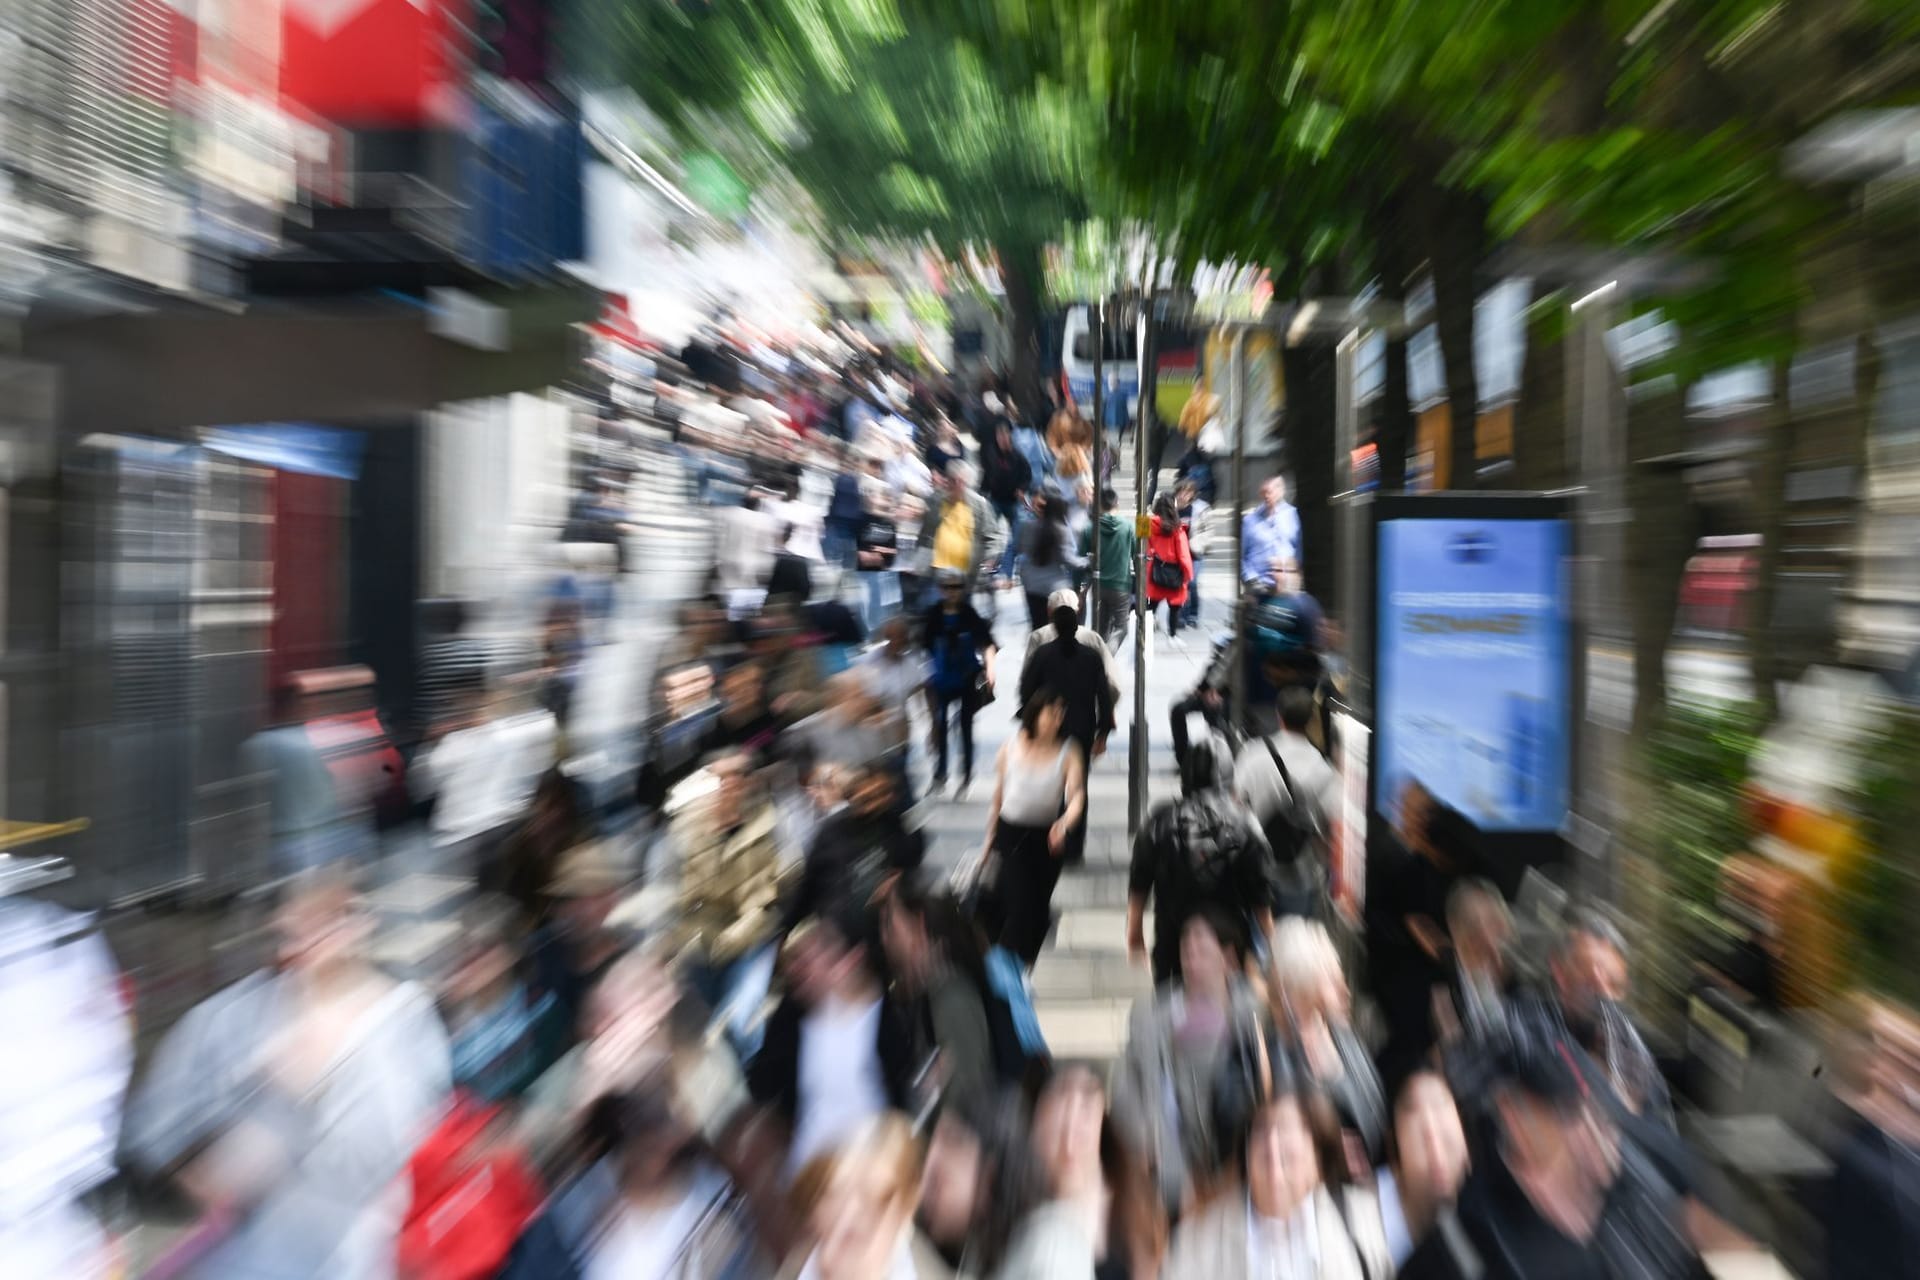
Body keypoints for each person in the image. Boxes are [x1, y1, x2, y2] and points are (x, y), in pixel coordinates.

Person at [124, 871, 453, 1279]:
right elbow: (159, 1133)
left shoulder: (403, 1020)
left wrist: (298, 1091)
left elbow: (375, 1157)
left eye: (332, 915)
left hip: (345, 1264)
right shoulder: (232, 1016)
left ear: (362, 921)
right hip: (236, 1262)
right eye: (300, 915)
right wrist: (201, 1168)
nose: (311, 932)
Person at [1397, 1027, 1706, 1280]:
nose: (1597, 1130)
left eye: (1599, 1110)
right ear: (1517, 1120)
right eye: (1570, 1114)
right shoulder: (1465, 1248)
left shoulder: (1636, 1199)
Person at [503, 1084, 767, 1280]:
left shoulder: (714, 1208)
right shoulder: (582, 1197)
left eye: (659, 1124)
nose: (649, 1141)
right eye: (638, 1126)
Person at [1111, 910, 1268, 1214]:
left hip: (1238, 1167)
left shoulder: (1254, 1016)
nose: (1192, 960)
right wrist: (1145, 1140)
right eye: (1187, 951)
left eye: (1203, 952)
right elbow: (1124, 1086)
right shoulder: (1152, 1017)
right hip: (1170, 1165)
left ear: (1228, 959)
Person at [748, 914, 917, 1177]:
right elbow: (763, 1087)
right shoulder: (790, 1019)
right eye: (796, 962)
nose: (797, 972)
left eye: (810, 961)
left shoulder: (888, 1020)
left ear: (849, 960)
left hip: (868, 1170)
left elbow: (903, 1098)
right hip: (804, 1173)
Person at [1161, 1084, 1369, 1280]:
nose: (1271, 1143)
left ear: (1318, 1159)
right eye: (1260, 1129)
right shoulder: (1197, 1245)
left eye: (1285, 1128)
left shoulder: (1363, 1225)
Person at [1126, 736, 1277, 984]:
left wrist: (1134, 932)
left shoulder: (1161, 820)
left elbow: (1139, 880)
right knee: (1229, 1009)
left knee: (1171, 1008)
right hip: (1228, 945)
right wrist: (1272, 941)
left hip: (1173, 939)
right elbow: (1260, 893)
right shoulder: (1245, 822)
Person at [667, 753, 786, 1060]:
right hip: (701, 936)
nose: (726, 787)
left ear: (748, 785)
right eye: (720, 780)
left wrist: (729, 939)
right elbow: (685, 892)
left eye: (734, 779)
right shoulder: (695, 827)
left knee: (738, 1023)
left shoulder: (768, 831)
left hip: (750, 938)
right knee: (681, 1013)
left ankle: (748, 1075)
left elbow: (761, 904)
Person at [997, 1068, 1167, 1280]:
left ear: (1100, 1121)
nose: (1069, 1144)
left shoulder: (1131, 1200)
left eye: (1084, 1108)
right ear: (1035, 1135)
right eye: (1058, 1132)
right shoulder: (1028, 1223)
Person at [1515, 907, 1672, 1128]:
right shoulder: (1526, 1029)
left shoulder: (1636, 1052)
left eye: (1614, 985)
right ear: (1560, 974)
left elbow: (1658, 1128)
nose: (1604, 993)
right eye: (1589, 976)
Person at [1267, 918, 1390, 1171]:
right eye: (1333, 981)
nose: (1346, 990)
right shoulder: (1274, 1055)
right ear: (1302, 986)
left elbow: (1377, 1112)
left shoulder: (1346, 1039)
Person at [981, 687, 1088, 968]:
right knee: (1018, 908)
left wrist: (1064, 824)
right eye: (1051, 713)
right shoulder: (1011, 746)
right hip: (1011, 835)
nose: (1057, 719)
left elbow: (1076, 796)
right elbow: (998, 797)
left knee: (1038, 910)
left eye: (1061, 713)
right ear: (1035, 714)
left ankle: (1023, 967)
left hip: (1045, 840)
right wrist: (988, 841)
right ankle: (1003, 972)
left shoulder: (1069, 750)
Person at [880, 885, 999, 1121]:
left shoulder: (952, 997)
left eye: (890, 925)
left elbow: (965, 1098)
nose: (884, 939)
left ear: (919, 926)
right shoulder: (924, 993)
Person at [1017, 591, 1117, 865]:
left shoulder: (1042, 655)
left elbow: (1025, 691)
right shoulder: (1090, 656)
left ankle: (1045, 840)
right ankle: (1073, 846)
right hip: (1081, 729)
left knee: (1046, 784)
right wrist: (1104, 731)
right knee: (1077, 787)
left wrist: (1029, 725)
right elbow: (1104, 696)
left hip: (1049, 731)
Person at [790, 1114, 949, 1280]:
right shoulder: (795, 1266)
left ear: (907, 1209)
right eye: (833, 1193)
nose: (849, 1211)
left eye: (875, 1197)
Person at [1233, 685, 1340, 919]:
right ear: (1311, 720)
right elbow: (1332, 826)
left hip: (1255, 867)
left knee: (1258, 938)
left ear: (1279, 716)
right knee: (1294, 944)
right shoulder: (1322, 768)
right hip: (1301, 875)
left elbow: (1237, 805)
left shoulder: (1252, 753)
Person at [443, 895, 561, 1103]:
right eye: (466, 944)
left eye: (487, 946)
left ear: (513, 952)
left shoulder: (543, 1013)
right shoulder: (445, 1013)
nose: (472, 956)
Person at [788, 764, 926, 937]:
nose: (874, 804)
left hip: (884, 929)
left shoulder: (897, 828)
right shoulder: (831, 832)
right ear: (853, 796)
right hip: (839, 930)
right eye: (867, 798)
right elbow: (808, 885)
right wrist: (786, 929)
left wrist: (899, 879)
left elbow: (911, 863)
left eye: (882, 794)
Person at [1362, 1072, 1472, 1274]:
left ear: (1467, 1151)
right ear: (1395, 1154)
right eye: (1421, 1143)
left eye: (1447, 1142)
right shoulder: (1357, 1220)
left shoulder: (1482, 1228)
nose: (1437, 1159)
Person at [920, 568, 998, 795]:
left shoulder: (969, 614)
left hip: (966, 679)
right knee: (940, 725)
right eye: (947, 587)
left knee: (964, 728)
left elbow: (987, 644)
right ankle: (941, 774)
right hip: (941, 679)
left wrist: (990, 668)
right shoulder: (933, 615)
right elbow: (923, 650)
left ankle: (965, 775)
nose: (952, 592)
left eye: (956, 587)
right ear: (940, 589)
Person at [920, 462, 1003, 601]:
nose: (957, 484)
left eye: (961, 481)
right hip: (937, 573)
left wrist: (989, 559)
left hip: (966, 575)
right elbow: (925, 533)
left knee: (961, 615)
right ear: (947, 480)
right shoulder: (935, 501)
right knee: (935, 614)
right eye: (953, 480)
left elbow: (993, 536)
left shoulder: (979, 505)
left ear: (967, 483)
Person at [1017, 494, 1086, 632]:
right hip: (1054, 587)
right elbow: (1068, 559)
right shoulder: (1061, 530)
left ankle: (1037, 649)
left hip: (1031, 584)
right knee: (1059, 627)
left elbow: (1021, 548)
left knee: (1037, 625)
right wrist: (1087, 561)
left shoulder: (1027, 526)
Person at [981, 420, 1033, 581]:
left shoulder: (1017, 456)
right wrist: (983, 491)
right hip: (995, 499)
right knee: (988, 532)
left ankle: (1009, 569)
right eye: (999, 435)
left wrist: (1021, 489)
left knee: (1016, 537)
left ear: (1009, 436)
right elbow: (987, 474)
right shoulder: (991, 453)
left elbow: (1027, 475)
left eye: (1005, 435)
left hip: (1012, 502)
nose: (1002, 438)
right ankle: (990, 565)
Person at [1143, 491, 1194, 639]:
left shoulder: (1145, 523)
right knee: (1175, 606)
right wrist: (1188, 574)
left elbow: (1140, 545)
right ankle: (1172, 635)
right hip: (1175, 573)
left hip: (1153, 570)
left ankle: (1144, 630)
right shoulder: (1178, 529)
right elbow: (1184, 555)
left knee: (1151, 604)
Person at [1240, 475, 1301, 594]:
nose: (1267, 496)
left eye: (1270, 492)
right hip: (1258, 583)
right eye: (1264, 492)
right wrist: (1251, 579)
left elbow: (1298, 549)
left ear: (1281, 492)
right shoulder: (1250, 520)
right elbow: (1242, 556)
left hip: (1286, 584)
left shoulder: (1292, 515)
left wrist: (1295, 574)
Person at [1174, 478, 1212, 629]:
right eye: (1181, 491)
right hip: (1177, 552)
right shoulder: (1172, 507)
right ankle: (1182, 616)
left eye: (1188, 492)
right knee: (1181, 584)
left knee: (1192, 582)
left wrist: (1198, 543)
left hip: (1194, 552)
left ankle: (1193, 614)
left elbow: (1208, 531)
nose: (1184, 495)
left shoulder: (1201, 509)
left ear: (1193, 494)